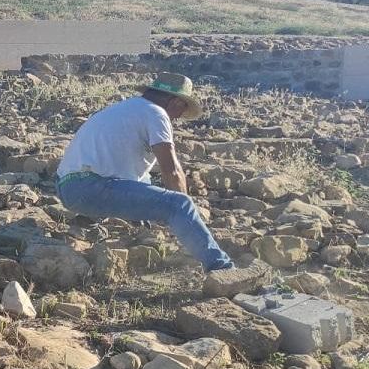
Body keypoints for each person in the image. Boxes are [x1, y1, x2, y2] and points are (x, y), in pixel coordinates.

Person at [56, 73, 236, 272]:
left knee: (146, 181)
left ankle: (128, 229)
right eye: (181, 110)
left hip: (68, 186)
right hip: (90, 187)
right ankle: (223, 269)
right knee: (179, 204)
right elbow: (172, 171)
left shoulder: (127, 109)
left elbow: (136, 174)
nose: (177, 118)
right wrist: (185, 215)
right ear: (175, 101)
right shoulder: (156, 113)